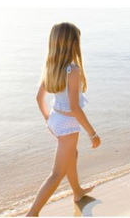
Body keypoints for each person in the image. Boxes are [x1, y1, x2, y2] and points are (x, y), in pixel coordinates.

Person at [26, 22, 101, 217]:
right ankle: (32, 213)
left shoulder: (52, 66)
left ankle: (77, 192)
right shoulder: (72, 70)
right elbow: (75, 108)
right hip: (67, 126)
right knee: (56, 173)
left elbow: (39, 98)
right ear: (73, 43)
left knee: (72, 155)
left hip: (55, 119)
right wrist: (93, 134)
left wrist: (48, 121)